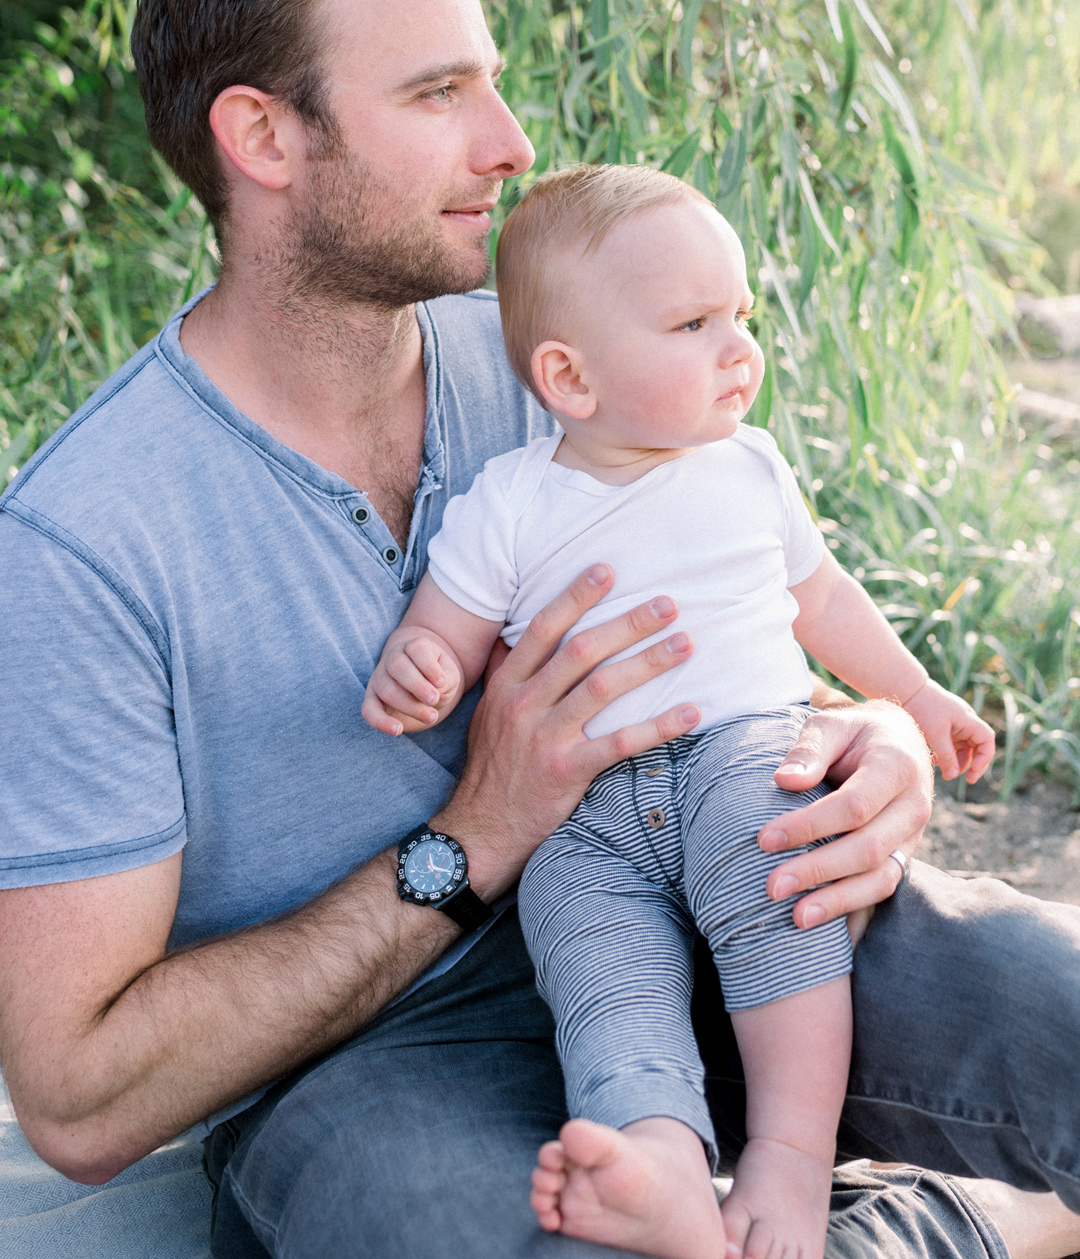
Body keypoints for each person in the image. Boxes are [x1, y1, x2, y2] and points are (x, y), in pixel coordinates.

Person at [0, 0, 1078, 1259]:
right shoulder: (87, 544)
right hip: (374, 1064)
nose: (509, 140)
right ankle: (964, 1227)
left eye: (487, 78)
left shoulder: (549, 359)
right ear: (264, 137)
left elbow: (760, 585)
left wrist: (875, 733)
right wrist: (474, 835)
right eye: (439, 92)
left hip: (726, 888)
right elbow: (79, 1097)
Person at [360, 163, 996, 1259]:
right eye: (693, 323)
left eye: (739, 315)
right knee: (598, 968)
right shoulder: (512, 500)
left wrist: (911, 695)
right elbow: (446, 629)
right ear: (570, 376)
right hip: (582, 816)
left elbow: (825, 599)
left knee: (782, 915)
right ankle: (653, 1154)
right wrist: (417, 668)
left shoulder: (749, 468)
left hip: (746, 759)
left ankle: (788, 1167)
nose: (739, 347)